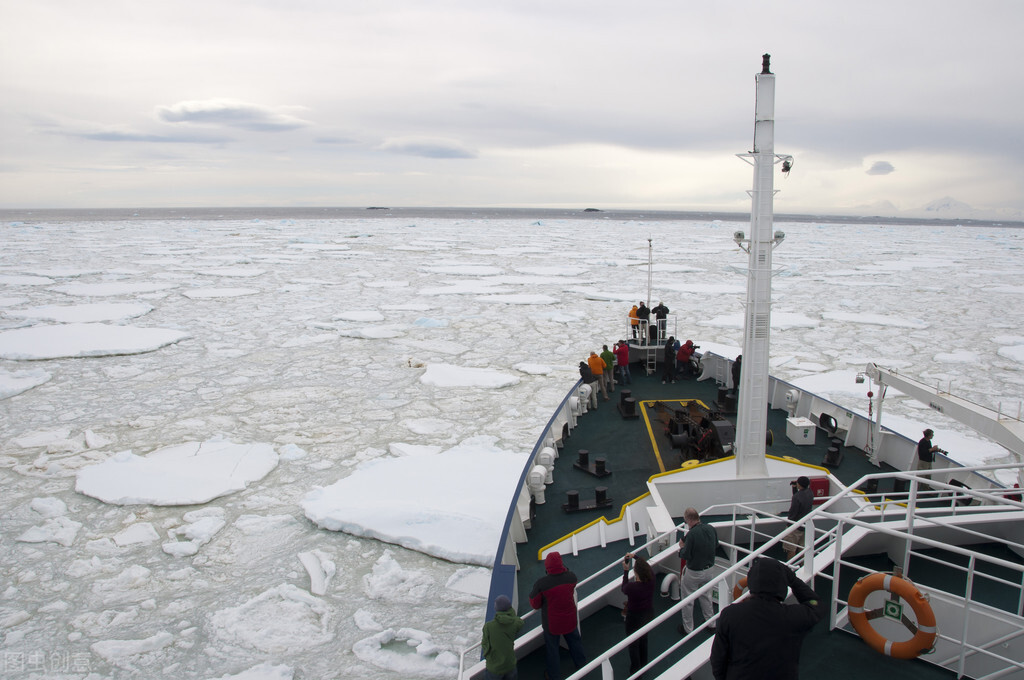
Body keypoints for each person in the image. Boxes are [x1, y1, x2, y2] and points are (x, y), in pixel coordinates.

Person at [710, 556, 825, 680]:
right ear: (782, 584)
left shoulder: (730, 614)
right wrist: (793, 580)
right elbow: (816, 605)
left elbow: (717, 659)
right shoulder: (793, 617)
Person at [529, 551, 586, 680]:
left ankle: (553, 676)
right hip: (570, 620)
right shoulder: (571, 577)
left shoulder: (542, 584)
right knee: (575, 642)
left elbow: (534, 603)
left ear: (547, 566)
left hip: (552, 625)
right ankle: (581, 665)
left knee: (552, 650)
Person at [677, 507, 718, 635]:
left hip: (694, 572)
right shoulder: (711, 528)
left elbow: (686, 555)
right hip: (709, 570)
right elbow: (716, 544)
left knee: (688, 599)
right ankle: (711, 624)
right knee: (706, 595)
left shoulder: (692, 534)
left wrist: (681, 548)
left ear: (689, 520)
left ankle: (688, 628)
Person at [621, 553, 656, 677]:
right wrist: (635, 556)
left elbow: (624, 588)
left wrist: (625, 571)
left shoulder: (633, 587)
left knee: (633, 644)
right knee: (644, 639)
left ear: (636, 574)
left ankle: (635, 671)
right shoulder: (651, 578)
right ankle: (644, 664)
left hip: (634, 618)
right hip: (648, 614)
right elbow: (645, 565)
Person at [481, 594, 523, 680]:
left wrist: (488, 657)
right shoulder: (514, 623)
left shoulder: (489, 626)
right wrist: (511, 612)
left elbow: (485, 644)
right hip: (510, 664)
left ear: (496, 608)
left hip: (495, 668)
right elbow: (519, 621)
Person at [784, 476, 813, 560]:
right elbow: (800, 497)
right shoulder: (810, 492)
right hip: (805, 524)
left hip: (795, 525)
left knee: (791, 549)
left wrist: (789, 524)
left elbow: (793, 511)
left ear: (799, 485)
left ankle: (791, 567)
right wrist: (794, 488)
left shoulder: (797, 497)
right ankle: (803, 566)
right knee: (802, 547)